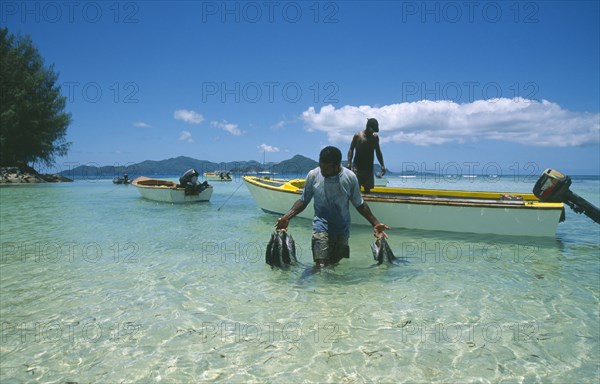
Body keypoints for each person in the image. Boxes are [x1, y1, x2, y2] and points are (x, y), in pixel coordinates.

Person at [275, 146, 390, 267]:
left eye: (327, 168)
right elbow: (303, 200)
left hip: (342, 230)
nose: (323, 171)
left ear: (337, 165)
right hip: (320, 227)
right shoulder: (313, 175)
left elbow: (359, 204)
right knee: (321, 266)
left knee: (335, 265)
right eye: (321, 166)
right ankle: (305, 284)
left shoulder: (350, 177)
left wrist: (375, 223)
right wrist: (287, 217)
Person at [347, 117, 386, 194]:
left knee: (367, 190)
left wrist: (382, 164)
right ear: (368, 127)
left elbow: (378, 151)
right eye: (372, 130)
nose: (373, 132)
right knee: (356, 190)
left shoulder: (375, 138)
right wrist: (349, 162)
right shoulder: (358, 136)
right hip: (357, 167)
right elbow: (351, 149)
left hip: (369, 168)